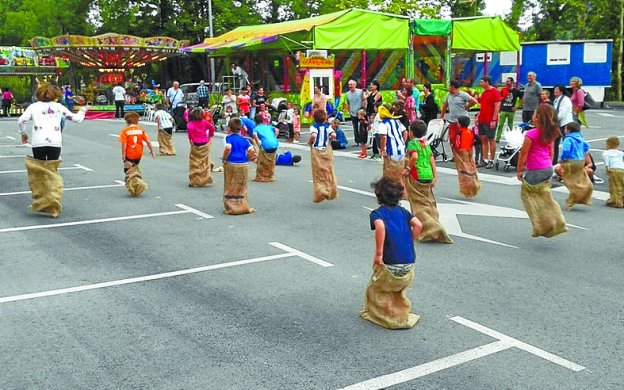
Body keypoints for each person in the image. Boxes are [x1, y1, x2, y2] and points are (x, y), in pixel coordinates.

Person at [360, 177, 423, 330]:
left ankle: (383, 316)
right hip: (409, 264)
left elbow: (380, 227)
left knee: (374, 289)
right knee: (397, 289)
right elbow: (418, 224)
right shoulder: (404, 212)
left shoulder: (377, 214)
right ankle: (398, 310)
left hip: (391, 265)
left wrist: (379, 254)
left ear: (378, 196)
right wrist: (410, 241)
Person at [18, 82, 88, 217]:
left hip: (38, 141)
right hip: (55, 142)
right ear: (56, 95)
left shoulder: (33, 107)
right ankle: (53, 200)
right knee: (52, 171)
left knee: (39, 172)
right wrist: (83, 109)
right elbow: (77, 119)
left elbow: (21, 120)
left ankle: (41, 200)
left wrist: (23, 134)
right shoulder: (58, 107)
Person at [516, 105, 567, 237]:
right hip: (547, 168)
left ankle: (541, 225)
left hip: (535, 170)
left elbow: (523, 153)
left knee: (528, 196)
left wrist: (520, 170)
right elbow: (551, 152)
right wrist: (549, 164)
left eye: (534, 114)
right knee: (544, 196)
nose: (532, 116)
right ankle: (556, 219)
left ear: (538, 118)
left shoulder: (531, 134)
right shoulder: (550, 132)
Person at [404, 120, 452, 243]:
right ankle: (434, 221)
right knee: (429, 202)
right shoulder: (426, 144)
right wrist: (435, 176)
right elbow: (432, 160)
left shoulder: (412, 144)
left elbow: (414, 157)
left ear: (411, 133)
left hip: (417, 175)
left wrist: (408, 169)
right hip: (428, 175)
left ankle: (431, 227)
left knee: (418, 203)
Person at [222, 117, 255, 215]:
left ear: (229, 128)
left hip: (232, 162)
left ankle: (231, 206)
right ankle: (242, 205)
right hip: (243, 163)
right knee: (242, 184)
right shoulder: (244, 139)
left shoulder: (228, 138)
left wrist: (224, 158)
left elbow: (228, 147)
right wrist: (248, 158)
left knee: (230, 183)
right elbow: (252, 150)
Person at [119, 112, 155, 197]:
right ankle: (135, 186)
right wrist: (151, 150)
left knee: (128, 171)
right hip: (138, 154)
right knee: (134, 169)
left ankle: (138, 184)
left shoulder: (125, 131)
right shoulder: (140, 130)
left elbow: (124, 144)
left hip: (129, 154)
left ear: (127, 121)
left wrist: (123, 156)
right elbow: (148, 140)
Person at [309, 109, 338, 203]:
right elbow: (334, 135)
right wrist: (329, 139)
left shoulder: (314, 127)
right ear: (325, 118)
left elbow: (313, 136)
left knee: (318, 172)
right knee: (328, 170)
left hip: (317, 150)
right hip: (326, 149)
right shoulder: (327, 127)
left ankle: (321, 192)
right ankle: (332, 190)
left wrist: (310, 142)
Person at [440, 80, 478, 151]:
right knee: (452, 138)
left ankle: (463, 152)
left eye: (449, 86)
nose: (448, 88)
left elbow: (474, 101)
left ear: (452, 87)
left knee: (462, 138)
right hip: (453, 121)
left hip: (462, 121)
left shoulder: (462, 94)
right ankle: (455, 155)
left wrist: (467, 107)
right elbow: (445, 106)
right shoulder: (448, 95)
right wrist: (441, 117)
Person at [379, 104, 408, 193]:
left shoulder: (383, 124)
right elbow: (405, 132)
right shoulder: (397, 121)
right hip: (401, 149)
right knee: (400, 173)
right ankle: (403, 192)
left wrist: (382, 149)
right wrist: (402, 142)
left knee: (390, 173)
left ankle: (391, 192)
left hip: (391, 151)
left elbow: (384, 137)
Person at [452, 115, 481, 198]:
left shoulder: (459, 132)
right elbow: (478, 140)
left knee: (463, 171)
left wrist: (454, 148)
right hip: (469, 152)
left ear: (460, 124)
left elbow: (457, 144)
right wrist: (472, 144)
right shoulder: (470, 132)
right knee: (471, 168)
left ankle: (466, 189)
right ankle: (475, 183)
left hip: (461, 153)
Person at [186, 107, 216, 187]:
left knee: (195, 162)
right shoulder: (204, 122)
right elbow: (212, 128)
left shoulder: (190, 124)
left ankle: (194, 180)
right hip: (205, 143)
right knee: (204, 161)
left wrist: (191, 142)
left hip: (196, 143)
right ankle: (205, 177)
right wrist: (210, 135)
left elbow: (190, 135)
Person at [476, 76, 502, 169]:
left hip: (490, 120)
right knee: (483, 139)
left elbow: (497, 106)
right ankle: (484, 159)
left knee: (491, 139)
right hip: (482, 119)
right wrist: (478, 116)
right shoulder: (484, 93)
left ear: (487, 82)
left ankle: (491, 160)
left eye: (482, 82)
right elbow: (482, 106)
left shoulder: (495, 92)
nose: (480, 83)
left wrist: (494, 120)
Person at [252, 114, 279, 182]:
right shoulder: (268, 126)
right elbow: (277, 130)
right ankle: (270, 176)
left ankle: (260, 177)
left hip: (266, 145)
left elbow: (255, 135)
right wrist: (275, 137)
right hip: (275, 144)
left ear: (255, 121)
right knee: (271, 161)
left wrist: (258, 144)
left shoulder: (256, 128)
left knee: (261, 161)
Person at [552, 85, 573, 165]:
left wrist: (554, 120)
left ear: (561, 91)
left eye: (557, 89)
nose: (555, 90)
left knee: (566, 142)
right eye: (555, 89)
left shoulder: (565, 100)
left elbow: (562, 113)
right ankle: (553, 161)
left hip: (565, 123)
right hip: (558, 124)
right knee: (554, 143)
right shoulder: (556, 100)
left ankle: (568, 160)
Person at [496, 77, 521, 142]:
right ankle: (497, 138)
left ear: (512, 82)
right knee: (500, 124)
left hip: (511, 110)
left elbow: (522, 98)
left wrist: (517, 106)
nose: (506, 83)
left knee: (510, 125)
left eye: (508, 81)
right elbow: (499, 98)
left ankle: (511, 138)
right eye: (506, 81)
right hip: (503, 109)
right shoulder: (503, 90)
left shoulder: (516, 91)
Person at [602, 137, 624, 208]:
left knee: (615, 186)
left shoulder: (606, 153)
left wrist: (608, 171)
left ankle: (617, 202)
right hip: (622, 169)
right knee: (622, 185)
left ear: (608, 144)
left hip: (614, 170)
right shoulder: (621, 153)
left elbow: (607, 164)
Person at [345, 80, 365, 144]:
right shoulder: (347, 94)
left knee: (362, 127)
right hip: (353, 113)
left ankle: (363, 140)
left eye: (351, 84)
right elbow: (348, 103)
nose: (350, 86)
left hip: (360, 112)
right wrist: (348, 110)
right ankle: (357, 141)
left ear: (355, 85)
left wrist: (364, 109)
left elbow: (364, 100)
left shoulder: (360, 92)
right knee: (355, 128)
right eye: (349, 85)